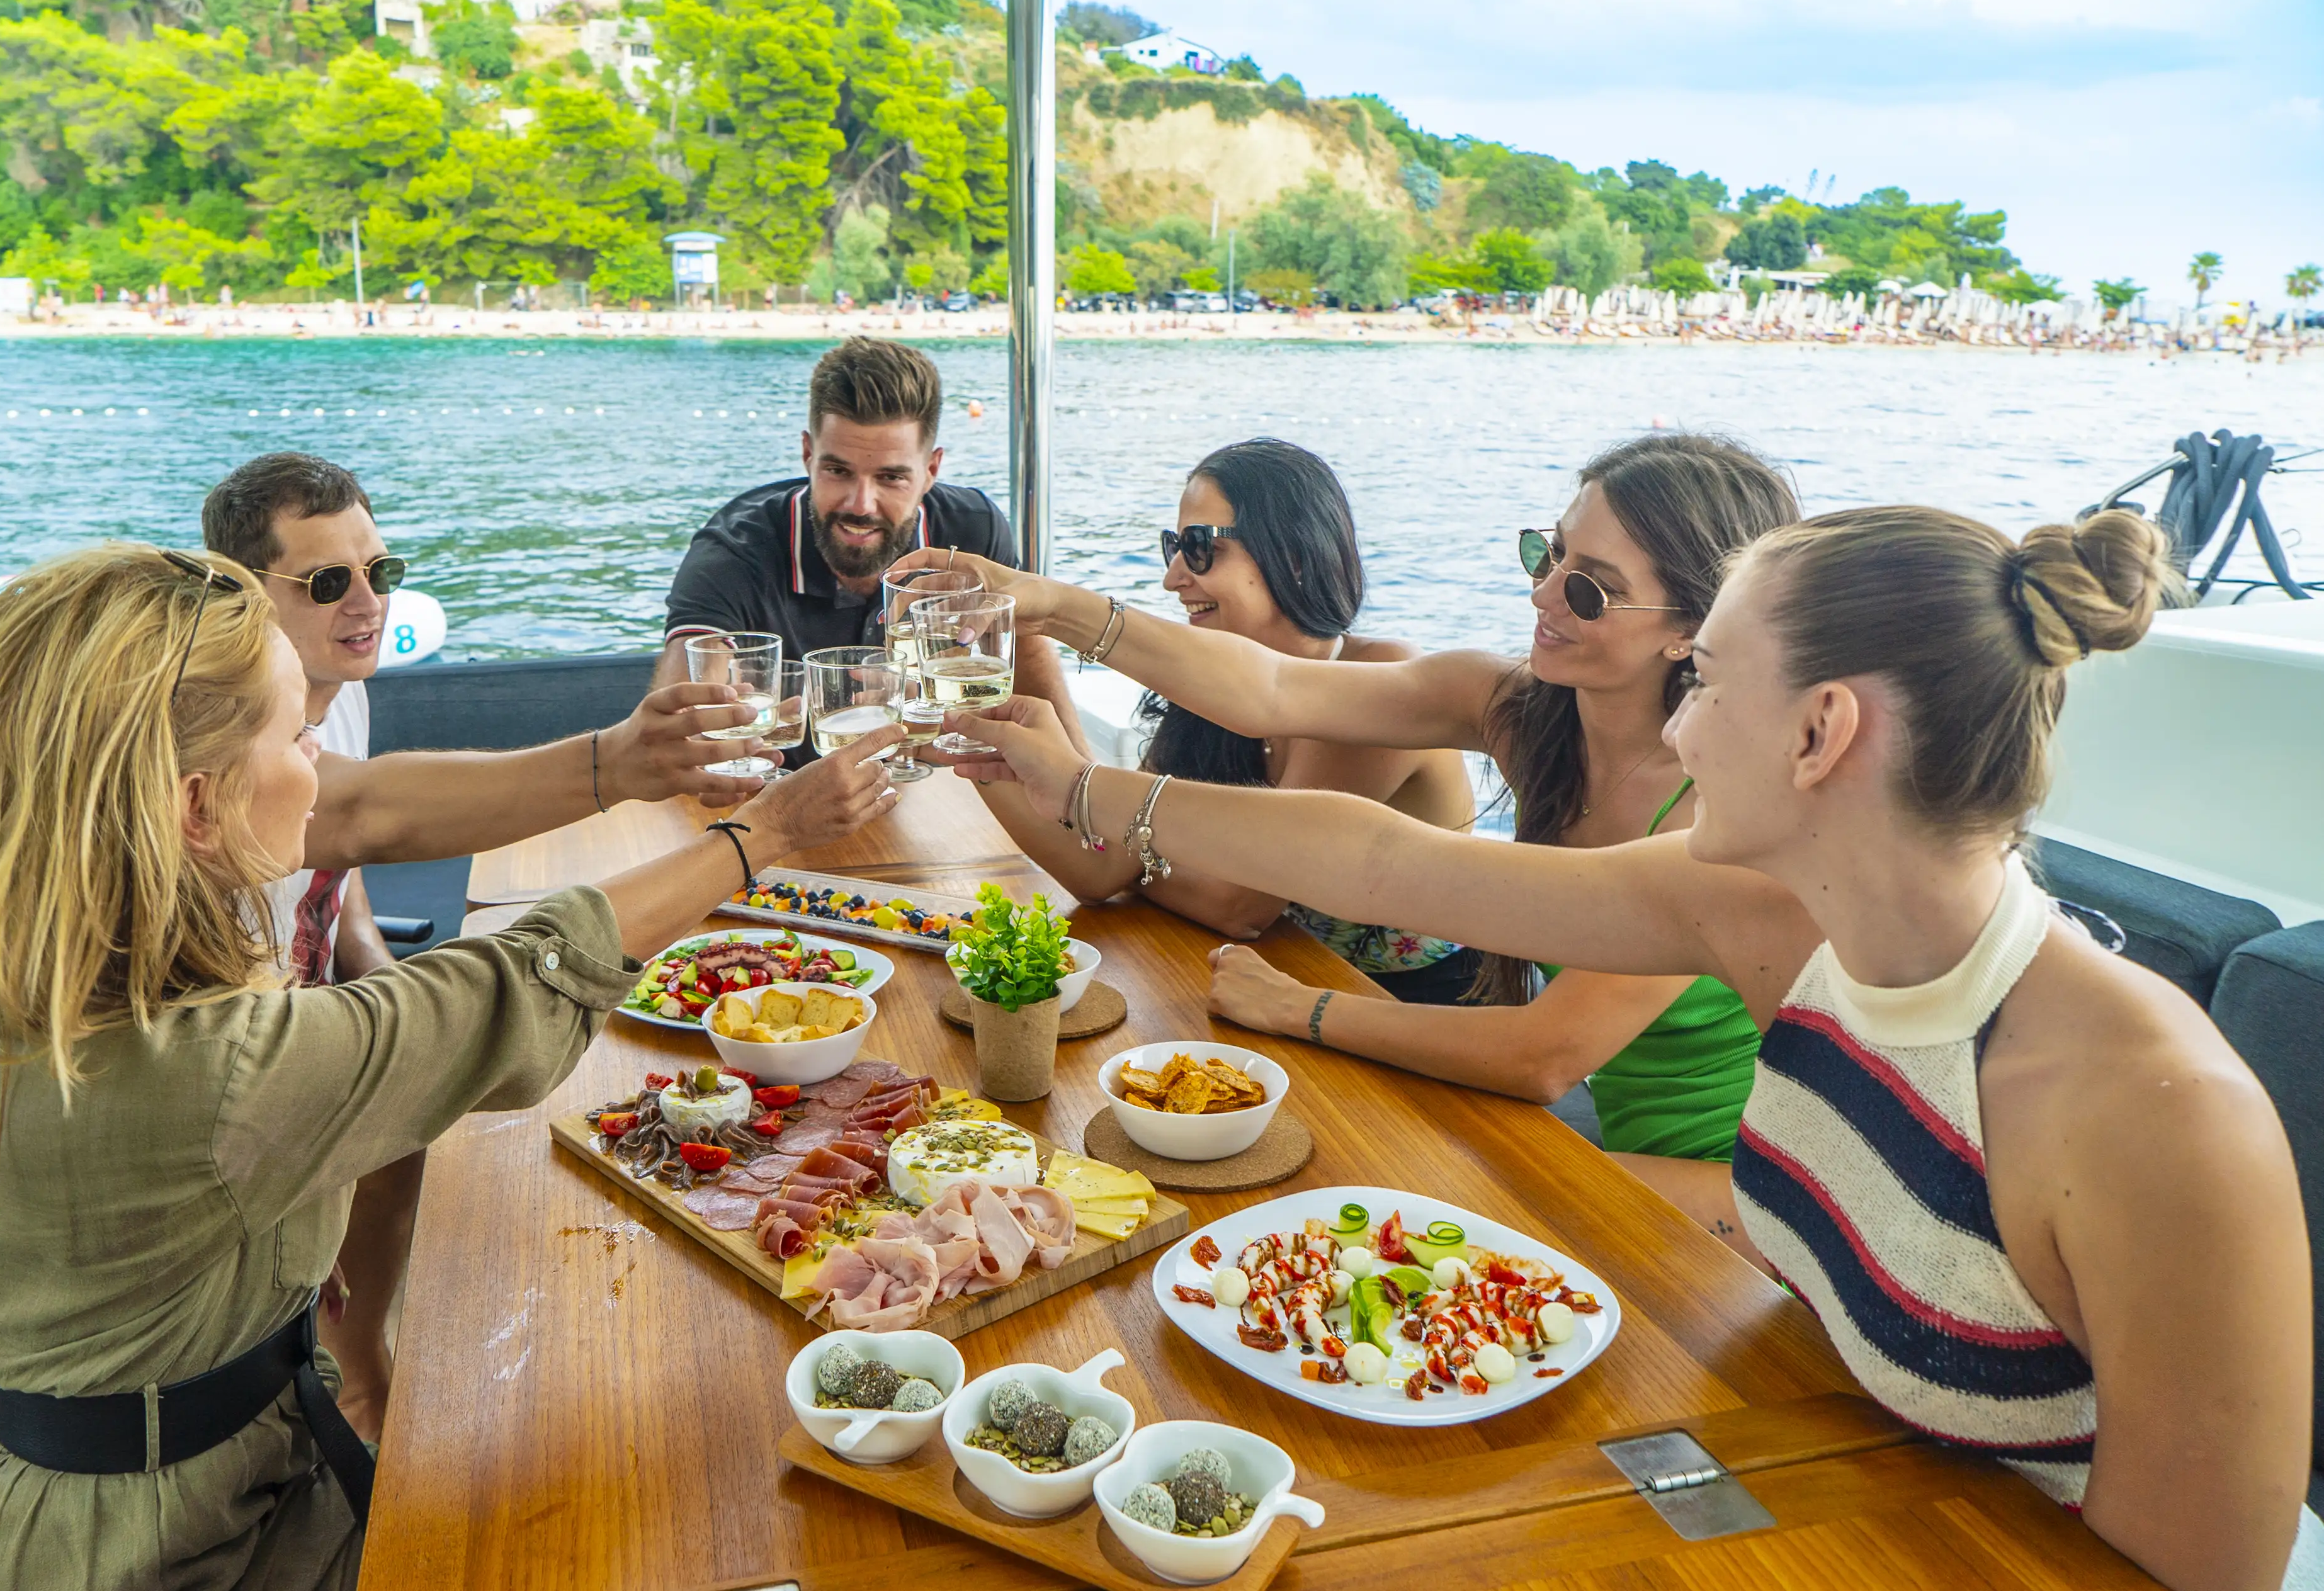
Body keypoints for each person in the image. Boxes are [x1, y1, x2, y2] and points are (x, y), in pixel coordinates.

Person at [950, 506, 2316, 1591]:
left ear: (1818, 729)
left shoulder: (2155, 1114)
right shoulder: (1776, 920)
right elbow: (1383, 861)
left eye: (1705, 680)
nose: (1671, 724)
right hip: (1800, 1468)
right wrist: (1079, 787)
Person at [0, 544, 900, 1589]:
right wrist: (758, 834)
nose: (320, 764)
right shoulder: (199, 1071)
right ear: (193, 807)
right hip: (155, 1548)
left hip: (144, 1469)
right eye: (295, 734)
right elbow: (497, 991)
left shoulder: (29, 973)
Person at [909, 434, 1799, 1254]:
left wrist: (1302, 1009)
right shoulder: (1525, 713)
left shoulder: (1709, 816)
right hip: (1607, 1119)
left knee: (1386, 1212)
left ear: (1695, 628)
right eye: (1547, 552)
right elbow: (1272, 689)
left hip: (1756, 1184)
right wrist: (1054, 607)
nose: (1539, 593)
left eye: (1586, 587)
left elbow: (1543, 1056)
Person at [202, 449, 770, 1438]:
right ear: (242, 596)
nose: (366, 602)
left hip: (306, 1019)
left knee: (499, 1096)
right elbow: (365, 817)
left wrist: (377, 978)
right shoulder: (221, 755)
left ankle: (367, 1357)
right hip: (238, 1069)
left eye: (383, 572)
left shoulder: (348, 695)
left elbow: (338, 882)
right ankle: (361, 1385)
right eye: (328, 582)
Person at [970, 438, 1479, 999]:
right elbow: (1098, 872)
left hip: (1414, 1013)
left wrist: (1141, 851)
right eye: (1173, 546)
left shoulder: (1380, 682)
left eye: (1199, 547)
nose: (1173, 577)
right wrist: (969, 741)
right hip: (1271, 987)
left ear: (1294, 555)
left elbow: (1238, 904)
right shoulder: (1206, 688)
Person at [654, 336, 1078, 739]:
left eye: (891, 477)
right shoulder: (733, 551)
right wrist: (719, 725)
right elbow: (681, 719)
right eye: (838, 471)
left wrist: (1087, 795)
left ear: (931, 470)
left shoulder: (973, 531)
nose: (861, 505)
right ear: (807, 454)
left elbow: (1031, 661)